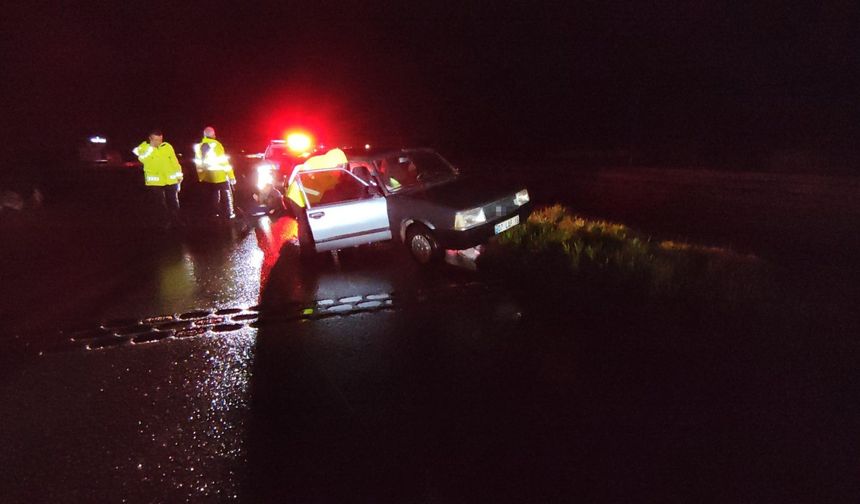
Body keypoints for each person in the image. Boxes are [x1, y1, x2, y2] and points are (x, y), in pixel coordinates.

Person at [133, 129, 183, 230]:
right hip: (155, 181)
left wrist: (179, 175)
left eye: (160, 140)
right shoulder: (144, 148)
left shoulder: (167, 146)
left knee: (173, 201)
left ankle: (176, 221)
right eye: (156, 140)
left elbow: (174, 161)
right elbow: (142, 158)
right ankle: (163, 222)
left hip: (170, 179)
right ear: (150, 139)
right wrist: (151, 148)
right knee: (160, 203)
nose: (158, 142)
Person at [193, 126, 236, 222]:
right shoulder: (217, 145)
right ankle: (230, 214)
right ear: (213, 135)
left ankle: (214, 214)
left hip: (207, 177)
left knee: (213, 196)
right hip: (220, 176)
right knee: (226, 195)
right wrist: (231, 176)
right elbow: (224, 162)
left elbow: (198, 164)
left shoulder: (198, 147)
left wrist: (201, 177)